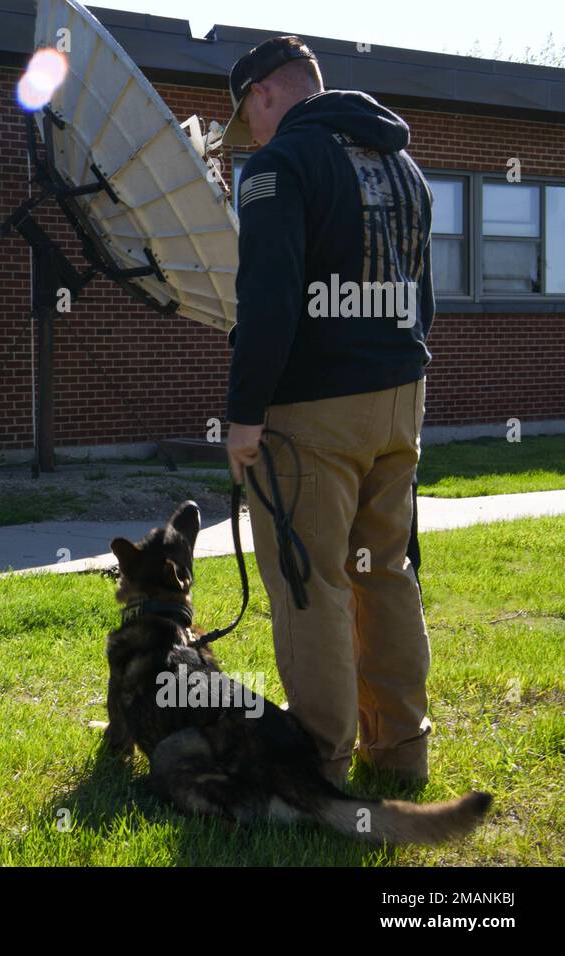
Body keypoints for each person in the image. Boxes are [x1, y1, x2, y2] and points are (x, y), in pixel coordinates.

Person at [221, 37, 436, 786]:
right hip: (400, 395)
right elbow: (422, 297)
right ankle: (402, 752)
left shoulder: (277, 165)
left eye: (245, 117)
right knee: (384, 573)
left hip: (316, 410)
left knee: (310, 586)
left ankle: (321, 769)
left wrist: (244, 414)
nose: (247, 134)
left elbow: (269, 299)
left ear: (262, 95)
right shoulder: (404, 164)